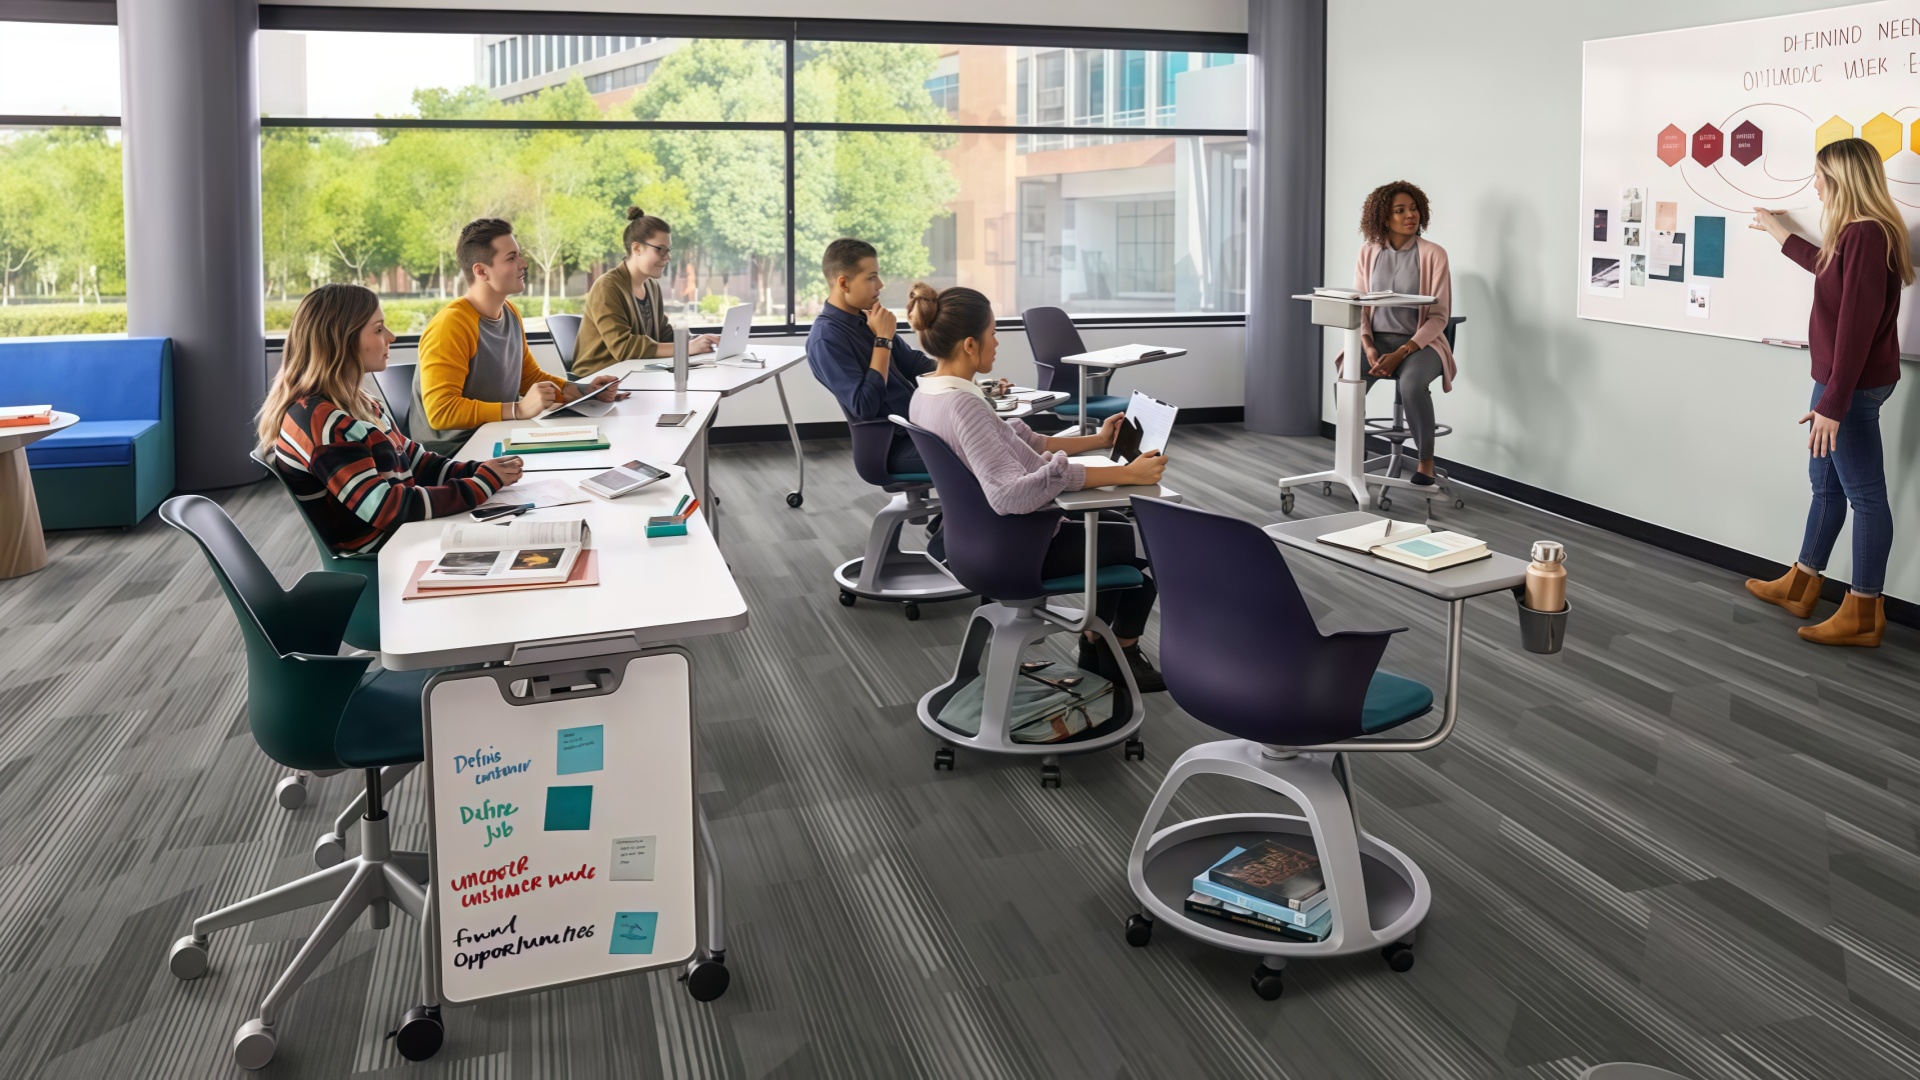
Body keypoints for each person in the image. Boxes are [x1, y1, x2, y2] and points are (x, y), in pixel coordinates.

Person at [905, 283, 1170, 692]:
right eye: (993, 333)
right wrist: (1127, 475)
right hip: (1011, 549)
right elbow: (1011, 494)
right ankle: (1114, 651)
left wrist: (1098, 442)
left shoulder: (930, 393)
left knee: (1120, 541)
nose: (998, 341)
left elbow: (1026, 444)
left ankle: (1101, 646)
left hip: (970, 541)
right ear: (971, 345)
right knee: (1131, 554)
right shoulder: (964, 405)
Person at [1746, 136, 1907, 648]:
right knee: (1826, 485)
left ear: (1840, 180)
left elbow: (1856, 326)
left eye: (1819, 177)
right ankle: (1802, 583)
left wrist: (1832, 405)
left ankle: (1863, 611)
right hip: (1840, 382)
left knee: (1865, 496)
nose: (1814, 187)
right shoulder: (1861, 235)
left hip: (1850, 387)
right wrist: (1778, 231)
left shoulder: (1866, 234)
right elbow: (1828, 270)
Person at [259, 283, 524, 555]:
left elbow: (418, 463)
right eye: (378, 329)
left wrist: (480, 470)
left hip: (404, 535)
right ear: (342, 340)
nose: (392, 336)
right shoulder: (322, 424)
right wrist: (482, 484)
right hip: (386, 555)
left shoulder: (361, 403)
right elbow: (386, 507)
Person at [412, 217, 619, 454]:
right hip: (456, 454)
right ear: (481, 271)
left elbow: (528, 377)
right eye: (511, 258)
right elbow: (441, 412)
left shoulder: (510, 312)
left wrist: (585, 391)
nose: (523, 263)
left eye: (519, 254)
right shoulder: (451, 325)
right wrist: (518, 410)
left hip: (498, 436)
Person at [1345, 181, 1457, 485]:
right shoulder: (1368, 252)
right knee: (1347, 378)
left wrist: (1401, 352)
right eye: (1400, 210)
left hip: (1422, 343)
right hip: (1375, 339)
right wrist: (1368, 347)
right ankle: (1349, 457)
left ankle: (1426, 462)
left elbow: (1439, 316)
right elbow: (1360, 306)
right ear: (1384, 217)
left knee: (1411, 385)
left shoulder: (1434, 254)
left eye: (1414, 208)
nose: (1411, 215)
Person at [806, 238, 939, 476]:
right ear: (844, 284)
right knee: (983, 452)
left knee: (996, 437)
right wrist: (883, 341)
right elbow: (864, 405)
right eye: (871, 277)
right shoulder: (825, 339)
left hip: (920, 429)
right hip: (891, 447)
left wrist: (965, 379)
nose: (880, 284)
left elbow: (915, 365)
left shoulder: (867, 319)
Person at [570, 207, 720, 376]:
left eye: (668, 250)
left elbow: (664, 335)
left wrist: (697, 341)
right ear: (637, 249)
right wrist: (685, 348)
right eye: (660, 249)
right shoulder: (607, 286)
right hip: (599, 380)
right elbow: (624, 348)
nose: (667, 257)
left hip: (635, 374)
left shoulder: (651, 286)